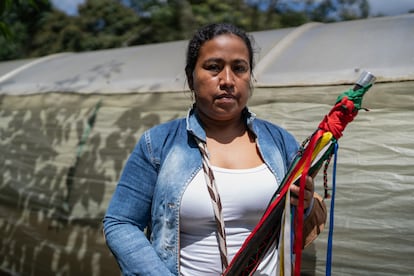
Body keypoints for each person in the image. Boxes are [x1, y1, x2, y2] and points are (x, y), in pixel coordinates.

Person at [103, 23, 326, 275]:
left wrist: (303, 205)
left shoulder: (280, 143)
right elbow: (121, 223)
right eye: (213, 67)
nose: (227, 80)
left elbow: (294, 227)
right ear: (191, 77)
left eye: (239, 68)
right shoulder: (159, 143)